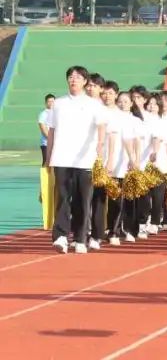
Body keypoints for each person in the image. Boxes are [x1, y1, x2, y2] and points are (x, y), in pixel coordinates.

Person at [46, 66, 108, 255]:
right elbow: (52, 131)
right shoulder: (59, 104)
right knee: (63, 198)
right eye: (71, 77)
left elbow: (102, 126)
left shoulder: (93, 104)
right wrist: (48, 157)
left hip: (85, 159)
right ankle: (61, 236)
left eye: (78, 77)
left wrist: (100, 144)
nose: (73, 80)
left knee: (83, 200)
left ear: (85, 82)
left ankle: (80, 238)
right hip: (62, 157)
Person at [38, 94, 55, 166]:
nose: (51, 103)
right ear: (46, 103)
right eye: (49, 101)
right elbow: (43, 127)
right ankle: (45, 177)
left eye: (52, 101)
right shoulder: (43, 114)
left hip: (56, 143)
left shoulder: (57, 113)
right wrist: (51, 139)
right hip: (46, 143)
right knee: (46, 161)